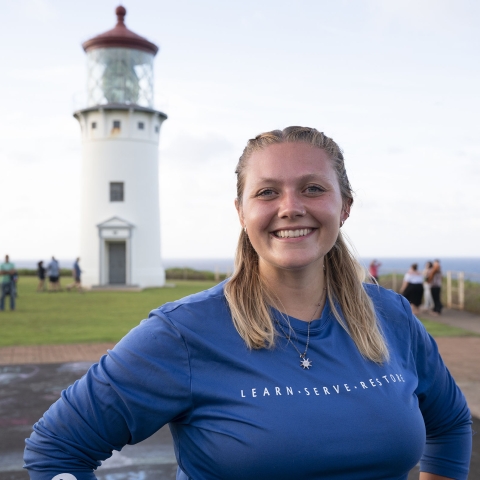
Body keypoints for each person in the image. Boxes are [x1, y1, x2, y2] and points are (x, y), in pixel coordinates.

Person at [24, 127, 471, 480]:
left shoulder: (392, 316)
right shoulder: (182, 333)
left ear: (345, 206)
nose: (291, 207)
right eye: (267, 192)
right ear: (241, 210)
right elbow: (56, 448)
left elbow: (450, 425)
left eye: (313, 188)